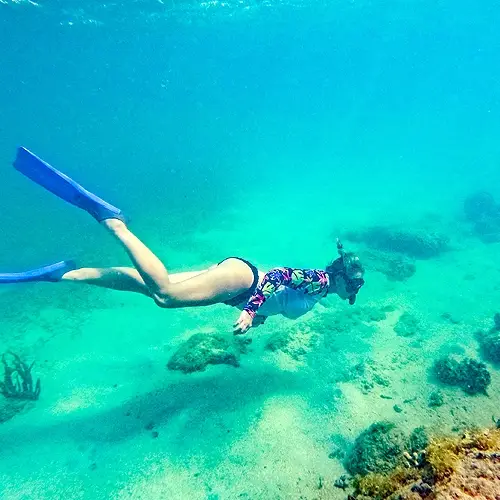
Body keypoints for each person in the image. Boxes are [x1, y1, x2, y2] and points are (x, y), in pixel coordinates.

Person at [2, 147, 365, 334]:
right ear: (341, 276)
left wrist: (260, 317)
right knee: (166, 297)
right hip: (242, 280)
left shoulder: (320, 290)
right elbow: (278, 277)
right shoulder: (319, 280)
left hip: (238, 283)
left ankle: (66, 274)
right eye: (354, 284)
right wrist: (252, 308)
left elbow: (281, 295)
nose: (353, 291)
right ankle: (115, 223)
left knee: (151, 287)